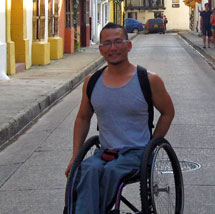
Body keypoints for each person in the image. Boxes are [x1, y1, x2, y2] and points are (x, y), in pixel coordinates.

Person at [65, 22, 175, 213]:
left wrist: (153, 144)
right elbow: (83, 118)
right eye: (107, 44)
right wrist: (75, 156)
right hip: (105, 152)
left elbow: (168, 112)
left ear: (128, 45)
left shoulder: (148, 80)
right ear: (100, 50)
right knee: (84, 170)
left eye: (118, 42)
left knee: (111, 172)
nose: (113, 48)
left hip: (136, 153)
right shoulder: (92, 82)